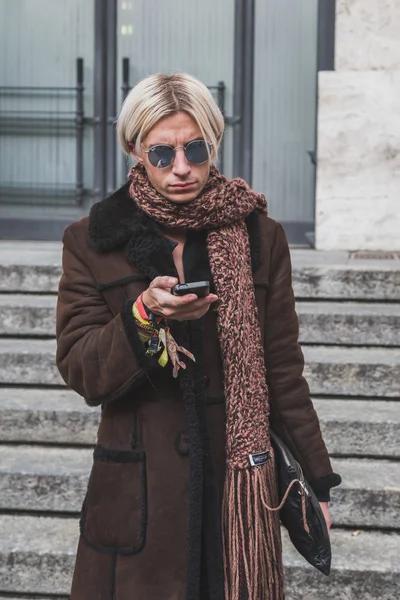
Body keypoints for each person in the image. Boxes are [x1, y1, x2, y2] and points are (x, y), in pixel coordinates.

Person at [56, 73, 341, 600]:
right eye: (162, 154)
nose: (182, 167)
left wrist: (317, 480)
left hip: (239, 498)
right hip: (140, 501)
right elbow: (80, 368)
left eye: (196, 149)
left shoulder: (262, 236)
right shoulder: (91, 241)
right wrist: (143, 315)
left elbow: (281, 367)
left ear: (214, 143)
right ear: (136, 152)